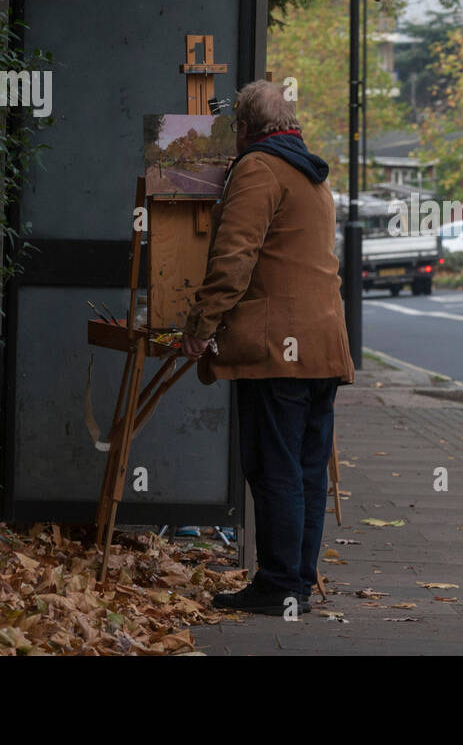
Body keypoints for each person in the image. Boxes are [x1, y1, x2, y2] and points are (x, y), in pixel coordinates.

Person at [180, 80, 354, 616]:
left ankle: (279, 585)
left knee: (274, 466)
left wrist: (200, 325)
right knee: (304, 469)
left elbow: (234, 259)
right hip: (323, 346)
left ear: (248, 129)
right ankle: (294, 584)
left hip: (279, 349)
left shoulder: (258, 168)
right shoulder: (312, 174)